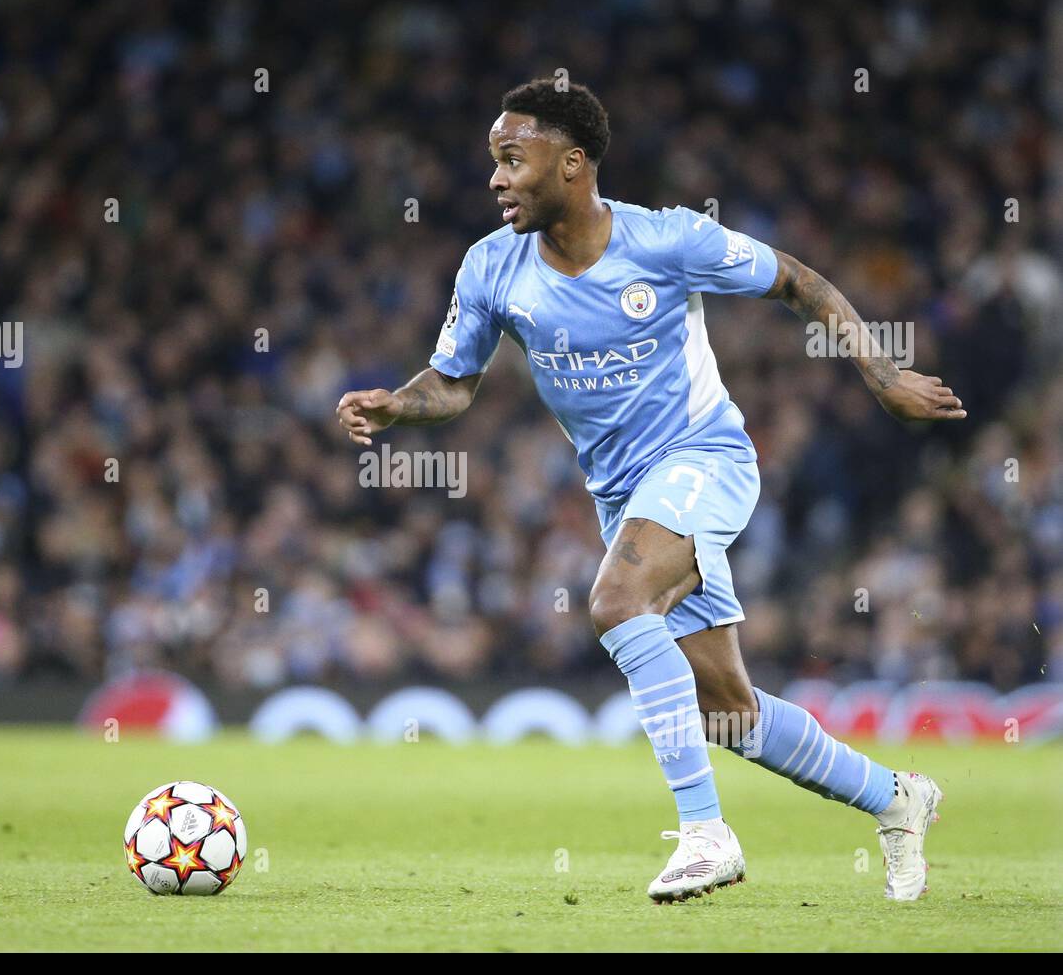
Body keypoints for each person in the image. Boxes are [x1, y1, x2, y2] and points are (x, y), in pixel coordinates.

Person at [337, 79, 963, 903]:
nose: (494, 177)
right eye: (493, 159)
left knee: (617, 600)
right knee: (727, 711)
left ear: (571, 164)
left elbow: (798, 280)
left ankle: (706, 833)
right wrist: (397, 404)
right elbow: (453, 384)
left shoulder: (667, 240)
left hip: (704, 457)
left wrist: (882, 375)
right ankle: (897, 798)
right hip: (624, 496)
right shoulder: (491, 267)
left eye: (511, 158)